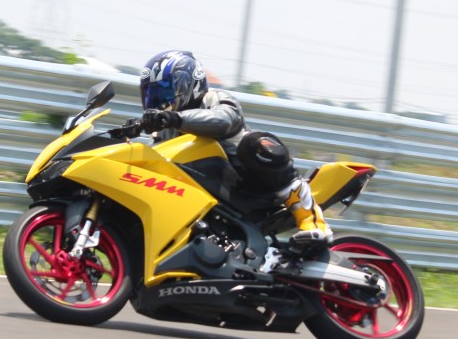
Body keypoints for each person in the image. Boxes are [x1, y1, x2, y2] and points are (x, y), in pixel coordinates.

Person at [137, 49, 332, 248]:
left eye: (164, 91)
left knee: (257, 143)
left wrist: (176, 118)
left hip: (246, 182)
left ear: (189, 83)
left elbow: (226, 119)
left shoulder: (213, 98)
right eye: (152, 94)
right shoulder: (164, 131)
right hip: (206, 201)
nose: (159, 101)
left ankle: (313, 221)